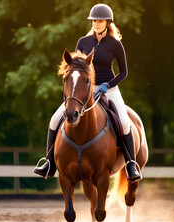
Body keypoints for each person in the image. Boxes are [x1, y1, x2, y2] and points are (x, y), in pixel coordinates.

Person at [34, 3, 141, 182]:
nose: (96, 24)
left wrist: (108, 84)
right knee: (54, 120)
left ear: (107, 22)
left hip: (109, 89)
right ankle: (50, 162)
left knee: (123, 122)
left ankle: (131, 165)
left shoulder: (115, 44)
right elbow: (76, 67)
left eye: (99, 21)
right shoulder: (83, 42)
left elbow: (124, 72)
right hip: (84, 89)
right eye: (93, 21)